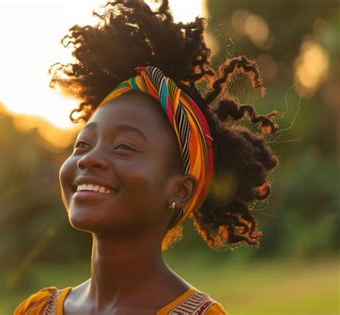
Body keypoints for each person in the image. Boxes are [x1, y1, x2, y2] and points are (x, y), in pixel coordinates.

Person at [14, 0, 279, 314]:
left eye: (124, 147)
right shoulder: (38, 309)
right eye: (82, 145)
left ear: (180, 190)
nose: (89, 159)